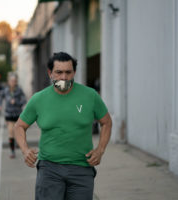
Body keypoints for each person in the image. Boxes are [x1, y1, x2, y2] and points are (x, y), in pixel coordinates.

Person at [14, 52, 112, 200]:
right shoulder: (39, 99)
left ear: (74, 73)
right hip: (49, 170)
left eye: (68, 72)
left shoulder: (90, 96)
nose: (64, 77)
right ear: (50, 73)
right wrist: (25, 150)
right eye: (59, 72)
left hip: (82, 169)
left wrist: (100, 150)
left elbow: (106, 122)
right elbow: (19, 126)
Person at [0, 73, 26, 158]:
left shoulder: (19, 90)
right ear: (8, 81)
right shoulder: (5, 90)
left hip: (17, 114)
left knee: (18, 133)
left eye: (14, 81)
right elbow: (0, 97)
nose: (13, 82)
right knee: (10, 132)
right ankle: (12, 151)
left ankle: (19, 145)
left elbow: (24, 100)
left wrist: (17, 103)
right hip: (8, 114)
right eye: (11, 81)